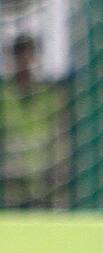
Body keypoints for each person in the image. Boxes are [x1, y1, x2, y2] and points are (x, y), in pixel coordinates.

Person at [1, 34, 66, 208]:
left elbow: (59, 135)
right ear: (13, 58)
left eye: (29, 55)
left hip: (43, 178)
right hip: (9, 179)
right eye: (20, 55)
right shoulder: (4, 94)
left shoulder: (50, 94)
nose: (25, 61)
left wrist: (58, 169)